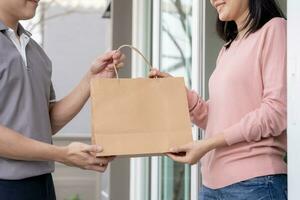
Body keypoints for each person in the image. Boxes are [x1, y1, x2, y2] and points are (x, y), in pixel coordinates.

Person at [150, 0, 287, 199]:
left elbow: (276, 112)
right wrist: (179, 94)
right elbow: (218, 119)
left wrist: (207, 144)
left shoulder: (274, 29)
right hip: (211, 186)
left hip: (255, 184)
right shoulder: (227, 49)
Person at [0, 0, 124, 199]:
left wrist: (90, 80)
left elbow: (44, 123)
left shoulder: (36, 52)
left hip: (43, 185)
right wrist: (61, 154)